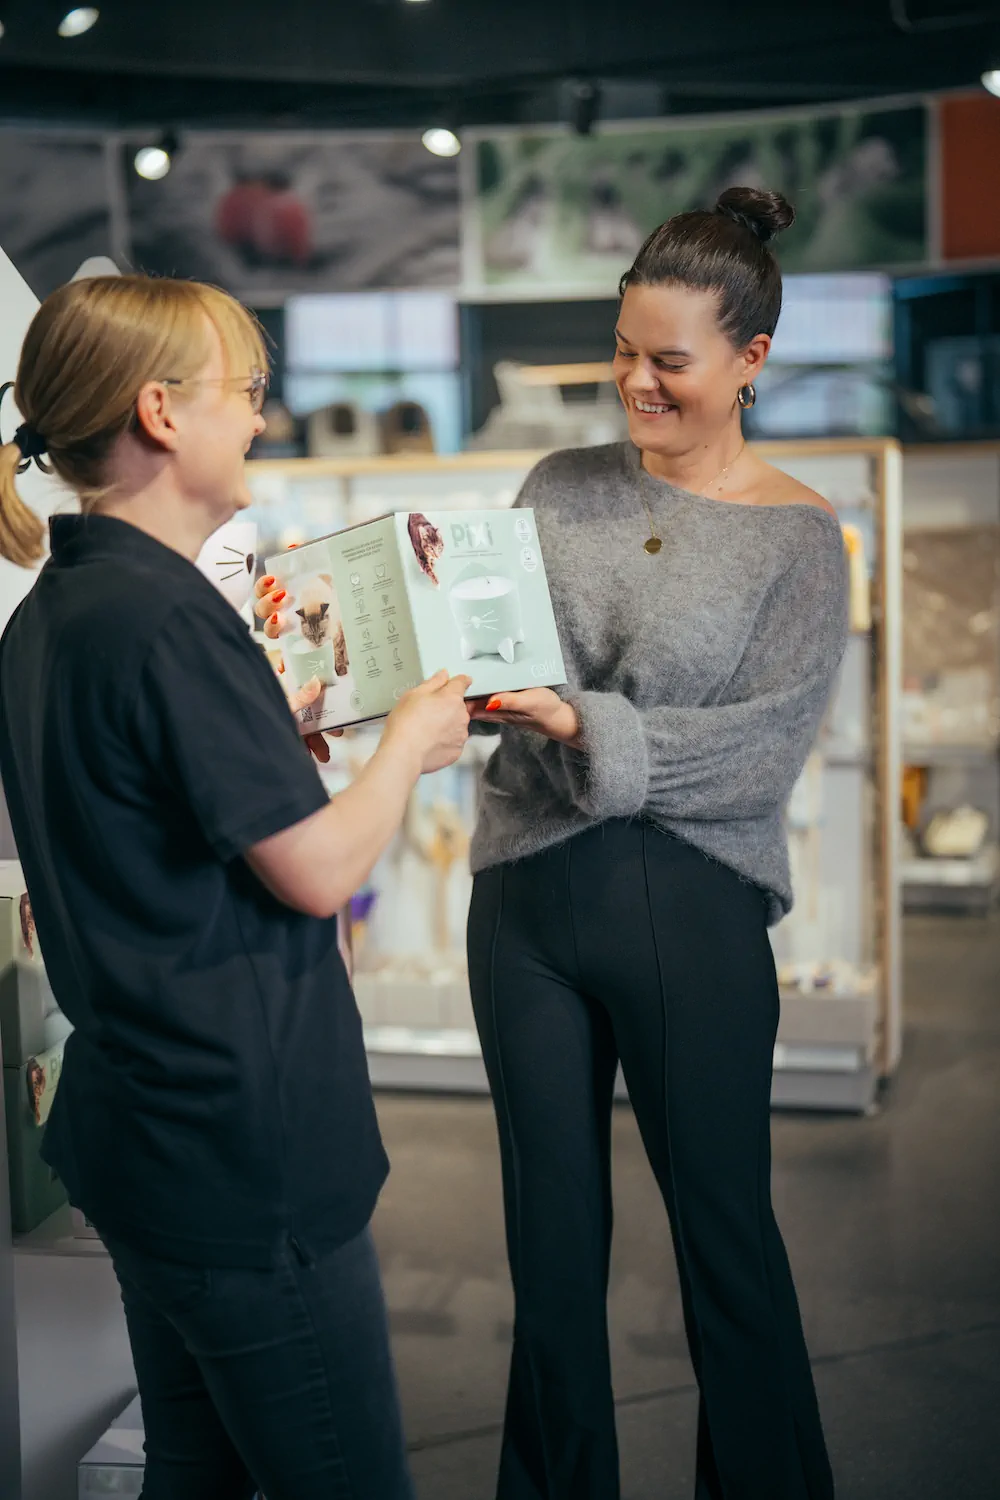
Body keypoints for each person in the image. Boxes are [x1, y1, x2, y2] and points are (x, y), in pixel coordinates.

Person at [260, 184, 847, 1500]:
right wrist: (382, 655)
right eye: (623, 351)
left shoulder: (800, 539)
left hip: (690, 911)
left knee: (726, 1251)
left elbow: (762, 748)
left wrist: (583, 721)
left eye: (670, 361)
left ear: (753, 359)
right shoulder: (557, 483)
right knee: (551, 1252)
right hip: (524, 903)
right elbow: (496, 670)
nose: (637, 382)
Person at [0, 274, 473, 1500]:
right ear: (161, 412)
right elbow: (317, 872)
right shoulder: (166, 621)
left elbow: (137, 835)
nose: (263, 416)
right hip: (237, 1150)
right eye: (246, 391)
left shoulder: (57, 611)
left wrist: (281, 743)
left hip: (141, 1134)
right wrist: (406, 746)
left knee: (195, 1472)